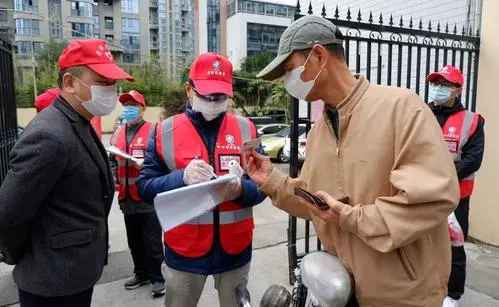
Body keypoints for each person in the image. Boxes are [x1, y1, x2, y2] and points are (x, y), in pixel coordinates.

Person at [249, 15, 460, 307]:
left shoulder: (401, 108)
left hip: (404, 296)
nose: (287, 81)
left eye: (289, 69)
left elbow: (433, 198)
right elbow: (316, 203)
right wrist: (271, 181)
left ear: (319, 56)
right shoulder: (319, 132)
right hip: (345, 290)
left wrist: (350, 218)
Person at [0, 39, 134, 307]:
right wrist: (27, 255)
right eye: (103, 82)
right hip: (52, 280)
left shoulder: (78, 121)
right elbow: (9, 212)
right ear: (70, 83)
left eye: (114, 84)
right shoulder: (49, 135)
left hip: (73, 272)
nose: (112, 91)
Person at [137, 52, 267, 307]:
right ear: (189, 90)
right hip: (184, 251)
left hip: (235, 249)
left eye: (220, 97)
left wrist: (241, 189)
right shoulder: (164, 131)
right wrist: (180, 178)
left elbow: (263, 187)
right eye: (207, 96)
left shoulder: (246, 129)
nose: (213, 102)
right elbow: (144, 187)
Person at [426, 65, 485, 307]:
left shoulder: (471, 121)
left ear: (457, 90)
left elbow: (473, 159)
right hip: (424, 193)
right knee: (424, 242)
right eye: (435, 83)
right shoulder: (422, 113)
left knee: (454, 245)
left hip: (455, 196)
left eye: (444, 85)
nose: (437, 89)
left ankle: (452, 295)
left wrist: (444, 176)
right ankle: (428, 285)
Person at [108, 90, 166, 297]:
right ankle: (140, 273)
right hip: (126, 196)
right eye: (125, 105)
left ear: (142, 108)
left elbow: (162, 162)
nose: (128, 109)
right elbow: (112, 159)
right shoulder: (118, 132)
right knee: (134, 241)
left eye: (133, 105)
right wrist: (114, 175)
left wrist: (148, 167)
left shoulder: (154, 131)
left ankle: (158, 278)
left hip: (147, 197)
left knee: (152, 240)